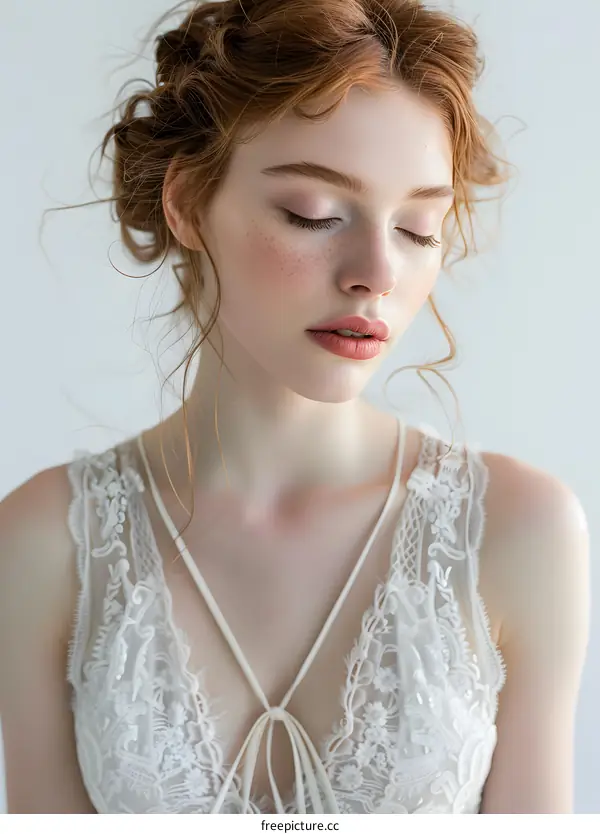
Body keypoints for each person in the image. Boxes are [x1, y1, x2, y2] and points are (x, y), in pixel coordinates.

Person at [0, 0, 590, 815]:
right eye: (313, 214)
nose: (376, 272)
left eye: (419, 228)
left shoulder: (518, 531)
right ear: (186, 205)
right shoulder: (45, 542)